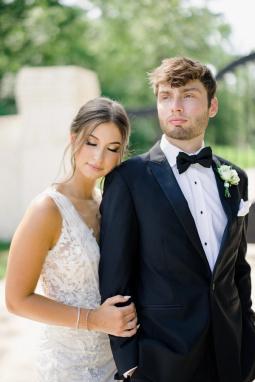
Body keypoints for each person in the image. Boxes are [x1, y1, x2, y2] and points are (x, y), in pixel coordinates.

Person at [99, 57, 255, 382]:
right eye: (166, 96)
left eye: (188, 96)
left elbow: (237, 269)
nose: (176, 106)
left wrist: (249, 342)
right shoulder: (129, 180)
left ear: (212, 106)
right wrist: (129, 363)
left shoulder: (235, 178)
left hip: (231, 356)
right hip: (162, 361)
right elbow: (116, 279)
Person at [5, 97, 138, 382]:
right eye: (91, 143)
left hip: (115, 363)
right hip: (68, 367)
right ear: (74, 138)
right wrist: (93, 320)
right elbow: (16, 300)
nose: (99, 157)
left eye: (112, 149)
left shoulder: (106, 205)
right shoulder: (47, 209)